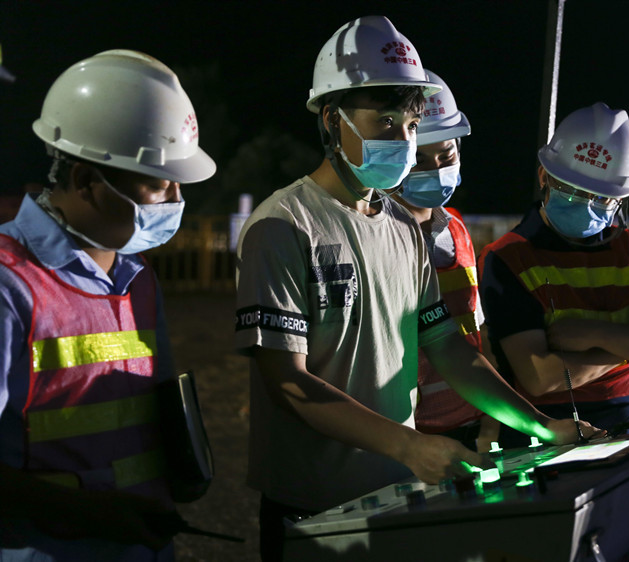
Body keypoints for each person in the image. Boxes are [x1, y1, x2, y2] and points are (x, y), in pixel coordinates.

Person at [235, 16, 601, 559]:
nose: (402, 141)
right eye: (384, 121)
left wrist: (543, 426)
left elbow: (447, 345)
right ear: (333, 120)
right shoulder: (283, 227)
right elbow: (287, 381)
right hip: (313, 504)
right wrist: (409, 445)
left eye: (408, 124)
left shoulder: (404, 228)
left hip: (396, 492)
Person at [0, 50, 216, 561]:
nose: (175, 199)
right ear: (84, 182)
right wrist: (88, 513)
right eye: (157, 183)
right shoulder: (10, 283)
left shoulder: (137, 279)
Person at [479, 102, 629, 448]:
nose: (588, 203)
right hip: (544, 432)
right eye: (575, 191)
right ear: (544, 178)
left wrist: (594, 333)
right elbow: (540, 377)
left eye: (603, 197)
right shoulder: (507, 259)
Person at [391, 69, 497, 452]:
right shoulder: (376, 232)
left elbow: (475, 332)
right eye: (419, 158)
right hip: (406, 435)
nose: (435, 169)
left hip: (469, 422)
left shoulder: (457, 229)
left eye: (446, 154)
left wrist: (490, 418)